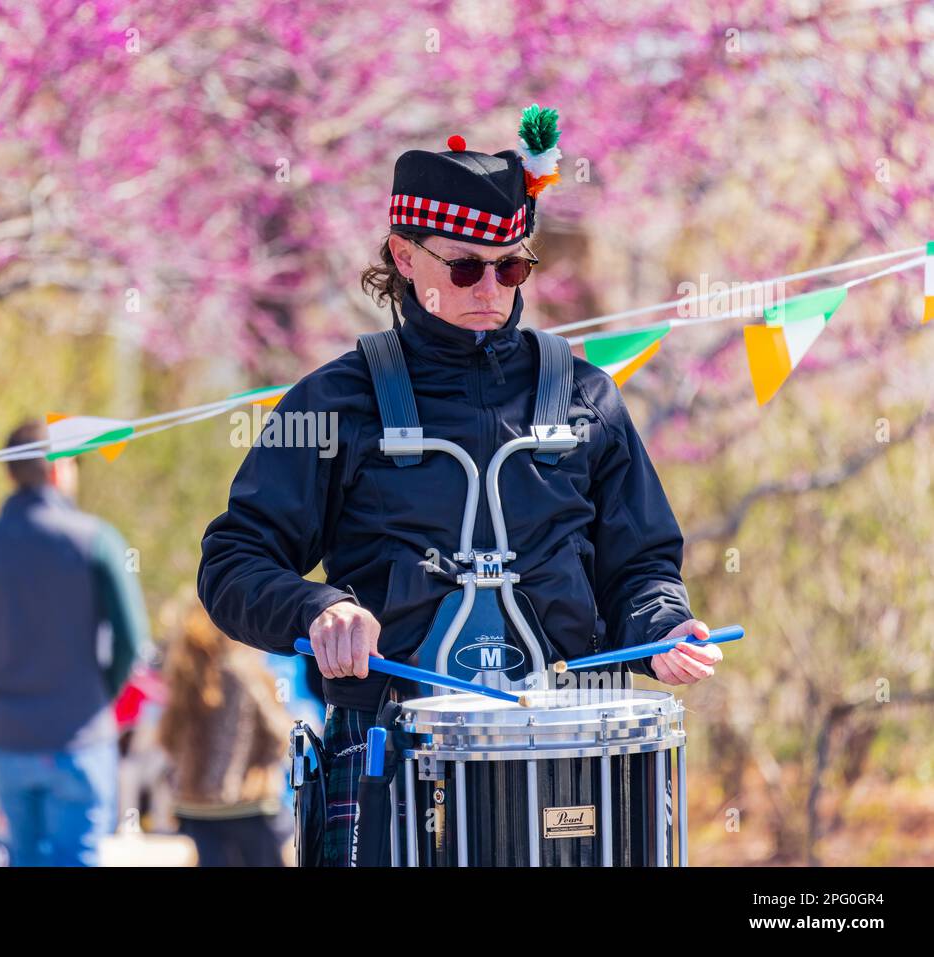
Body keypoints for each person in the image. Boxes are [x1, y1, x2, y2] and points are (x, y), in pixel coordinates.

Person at [198, 109, 722, 867]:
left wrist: (663, 625)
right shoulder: (330, 402)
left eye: (511, 268)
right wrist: (319, 609)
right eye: (466, 267)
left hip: (570, 758)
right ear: (404, 258)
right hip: (392, 761)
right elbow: (231, 563)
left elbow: (640, 566)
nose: (492, 288)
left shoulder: (586, 395)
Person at [0, 419, 149, 866]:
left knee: (24, 856)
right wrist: (98, 693)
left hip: (6, 739)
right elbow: (132, 641)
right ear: (57, 469)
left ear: (10, 473)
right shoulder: (96, 540)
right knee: (78, 858)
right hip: (79, 736)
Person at [157, 601, 292, 867]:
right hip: (246, 802)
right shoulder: (244, 671)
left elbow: (167, 738)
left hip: (194, 803)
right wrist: (260, 771)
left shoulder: (183, 675)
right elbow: (278, 735)